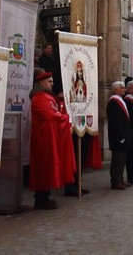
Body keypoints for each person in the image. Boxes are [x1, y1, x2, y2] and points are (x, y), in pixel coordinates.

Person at [29, 70, 76, 209]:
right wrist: (66, 118)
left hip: (49, 138)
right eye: (49, 82)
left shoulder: (46, 96)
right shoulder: (40, 98)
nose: (52, 84)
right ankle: (41, 200)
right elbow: (51, 115)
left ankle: (45, 197)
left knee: (47, 168)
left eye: (52, 81)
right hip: (43, 139)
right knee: (43, 168)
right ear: (41, 83)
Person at [106, 80, 132, 189]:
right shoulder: (113, 102)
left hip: (123, 136)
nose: (124, 89)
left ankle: (120, 178)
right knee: (117, 159)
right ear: (116, 89)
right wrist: (121, 135)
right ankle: (115, 181)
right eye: (122, 87)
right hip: (118, 137)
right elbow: (116, 121)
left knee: (122, 160)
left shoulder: (120, 101)